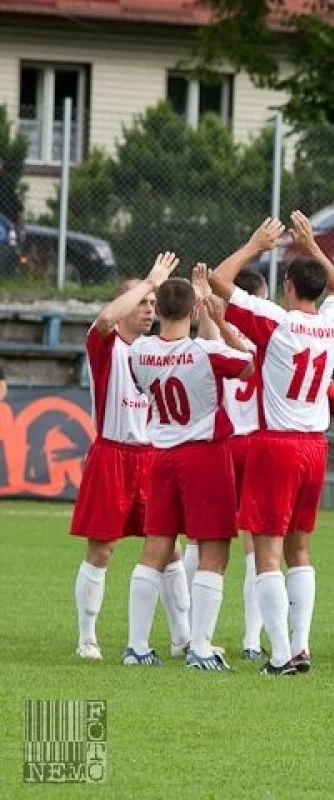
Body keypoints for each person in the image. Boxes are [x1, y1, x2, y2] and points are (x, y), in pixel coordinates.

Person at [184, 267, 334, 661]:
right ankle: (298, 645)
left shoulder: (275, 323)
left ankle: (277, 654)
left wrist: (255, 246)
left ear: (287, 287)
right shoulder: (331, 324)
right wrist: (312, 246)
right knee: (300, 550)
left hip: (270, 444)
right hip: (314, 446)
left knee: (258, 550)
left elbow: (220, 281)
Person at [124, 276, 253, 670]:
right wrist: (221, 319)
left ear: (158, 310)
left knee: (155, 550)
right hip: (205, 455)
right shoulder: (206, 352)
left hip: (161, 455)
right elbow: (249, 366)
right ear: (194, 310)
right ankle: (199, 648)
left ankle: (137, 646)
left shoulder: (139, 351)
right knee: (213, 552)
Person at [69, 253, 193, 662]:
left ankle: (183, 638)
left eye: (153, 305)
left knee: (170, 548)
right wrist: (150, 281)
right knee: (101, 550)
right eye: (142, 303)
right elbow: (105, 320)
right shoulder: (107, 345)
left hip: (153, 458)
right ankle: (87, 637)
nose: (149, 310)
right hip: (113, 455)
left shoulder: (155, 350)